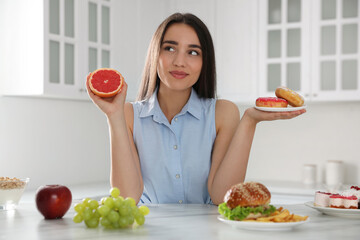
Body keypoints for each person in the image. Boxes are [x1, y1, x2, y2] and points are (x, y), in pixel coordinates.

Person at [86, 13, 306, 205]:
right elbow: (126, 198)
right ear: (155, 54)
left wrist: (249, 121)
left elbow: (222, 196)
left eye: (193, 52)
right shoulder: (128, 115)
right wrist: (114, 117)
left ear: (204, 62)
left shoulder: (223, 113)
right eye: (170, 48)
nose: (180, 62)